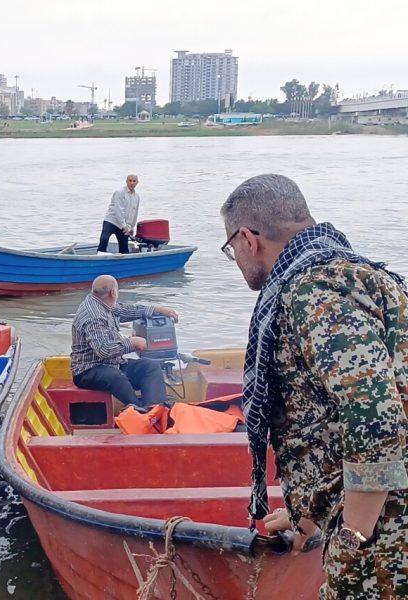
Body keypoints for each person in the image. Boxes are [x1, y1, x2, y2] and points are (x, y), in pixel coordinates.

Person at [220, 173, 407, 599]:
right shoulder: (349, 274)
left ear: (247, 239)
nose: (236, 259)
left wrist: (352, 538)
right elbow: (324, 416)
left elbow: (375, 421)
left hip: (386, 542)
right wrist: (309, 514)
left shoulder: (314, 291)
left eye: (230, 249)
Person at [71, 275, 178, 413]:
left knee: (150, 366)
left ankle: (154, 410)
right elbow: (104, 350)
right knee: (115, 376)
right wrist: (132, 342)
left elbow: (124, 310)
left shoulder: (102, 302)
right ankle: (139, 410)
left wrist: (156, 309)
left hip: (114, 364)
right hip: (88, 371)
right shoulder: (93, 316)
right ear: (113, 292)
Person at [97, 174, 141, 254]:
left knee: (124, 248)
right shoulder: (120, 192)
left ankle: (124, 262)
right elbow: (119, 211)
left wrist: (130, 228)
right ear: (126, 182)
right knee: (104, 239)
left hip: (124, 225)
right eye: (130, 181)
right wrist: (125, 227)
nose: (132, 183)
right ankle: (99, 256)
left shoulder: (137, 197)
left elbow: (134, 214)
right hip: (111, 221)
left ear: (137, 182)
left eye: (134, 181)